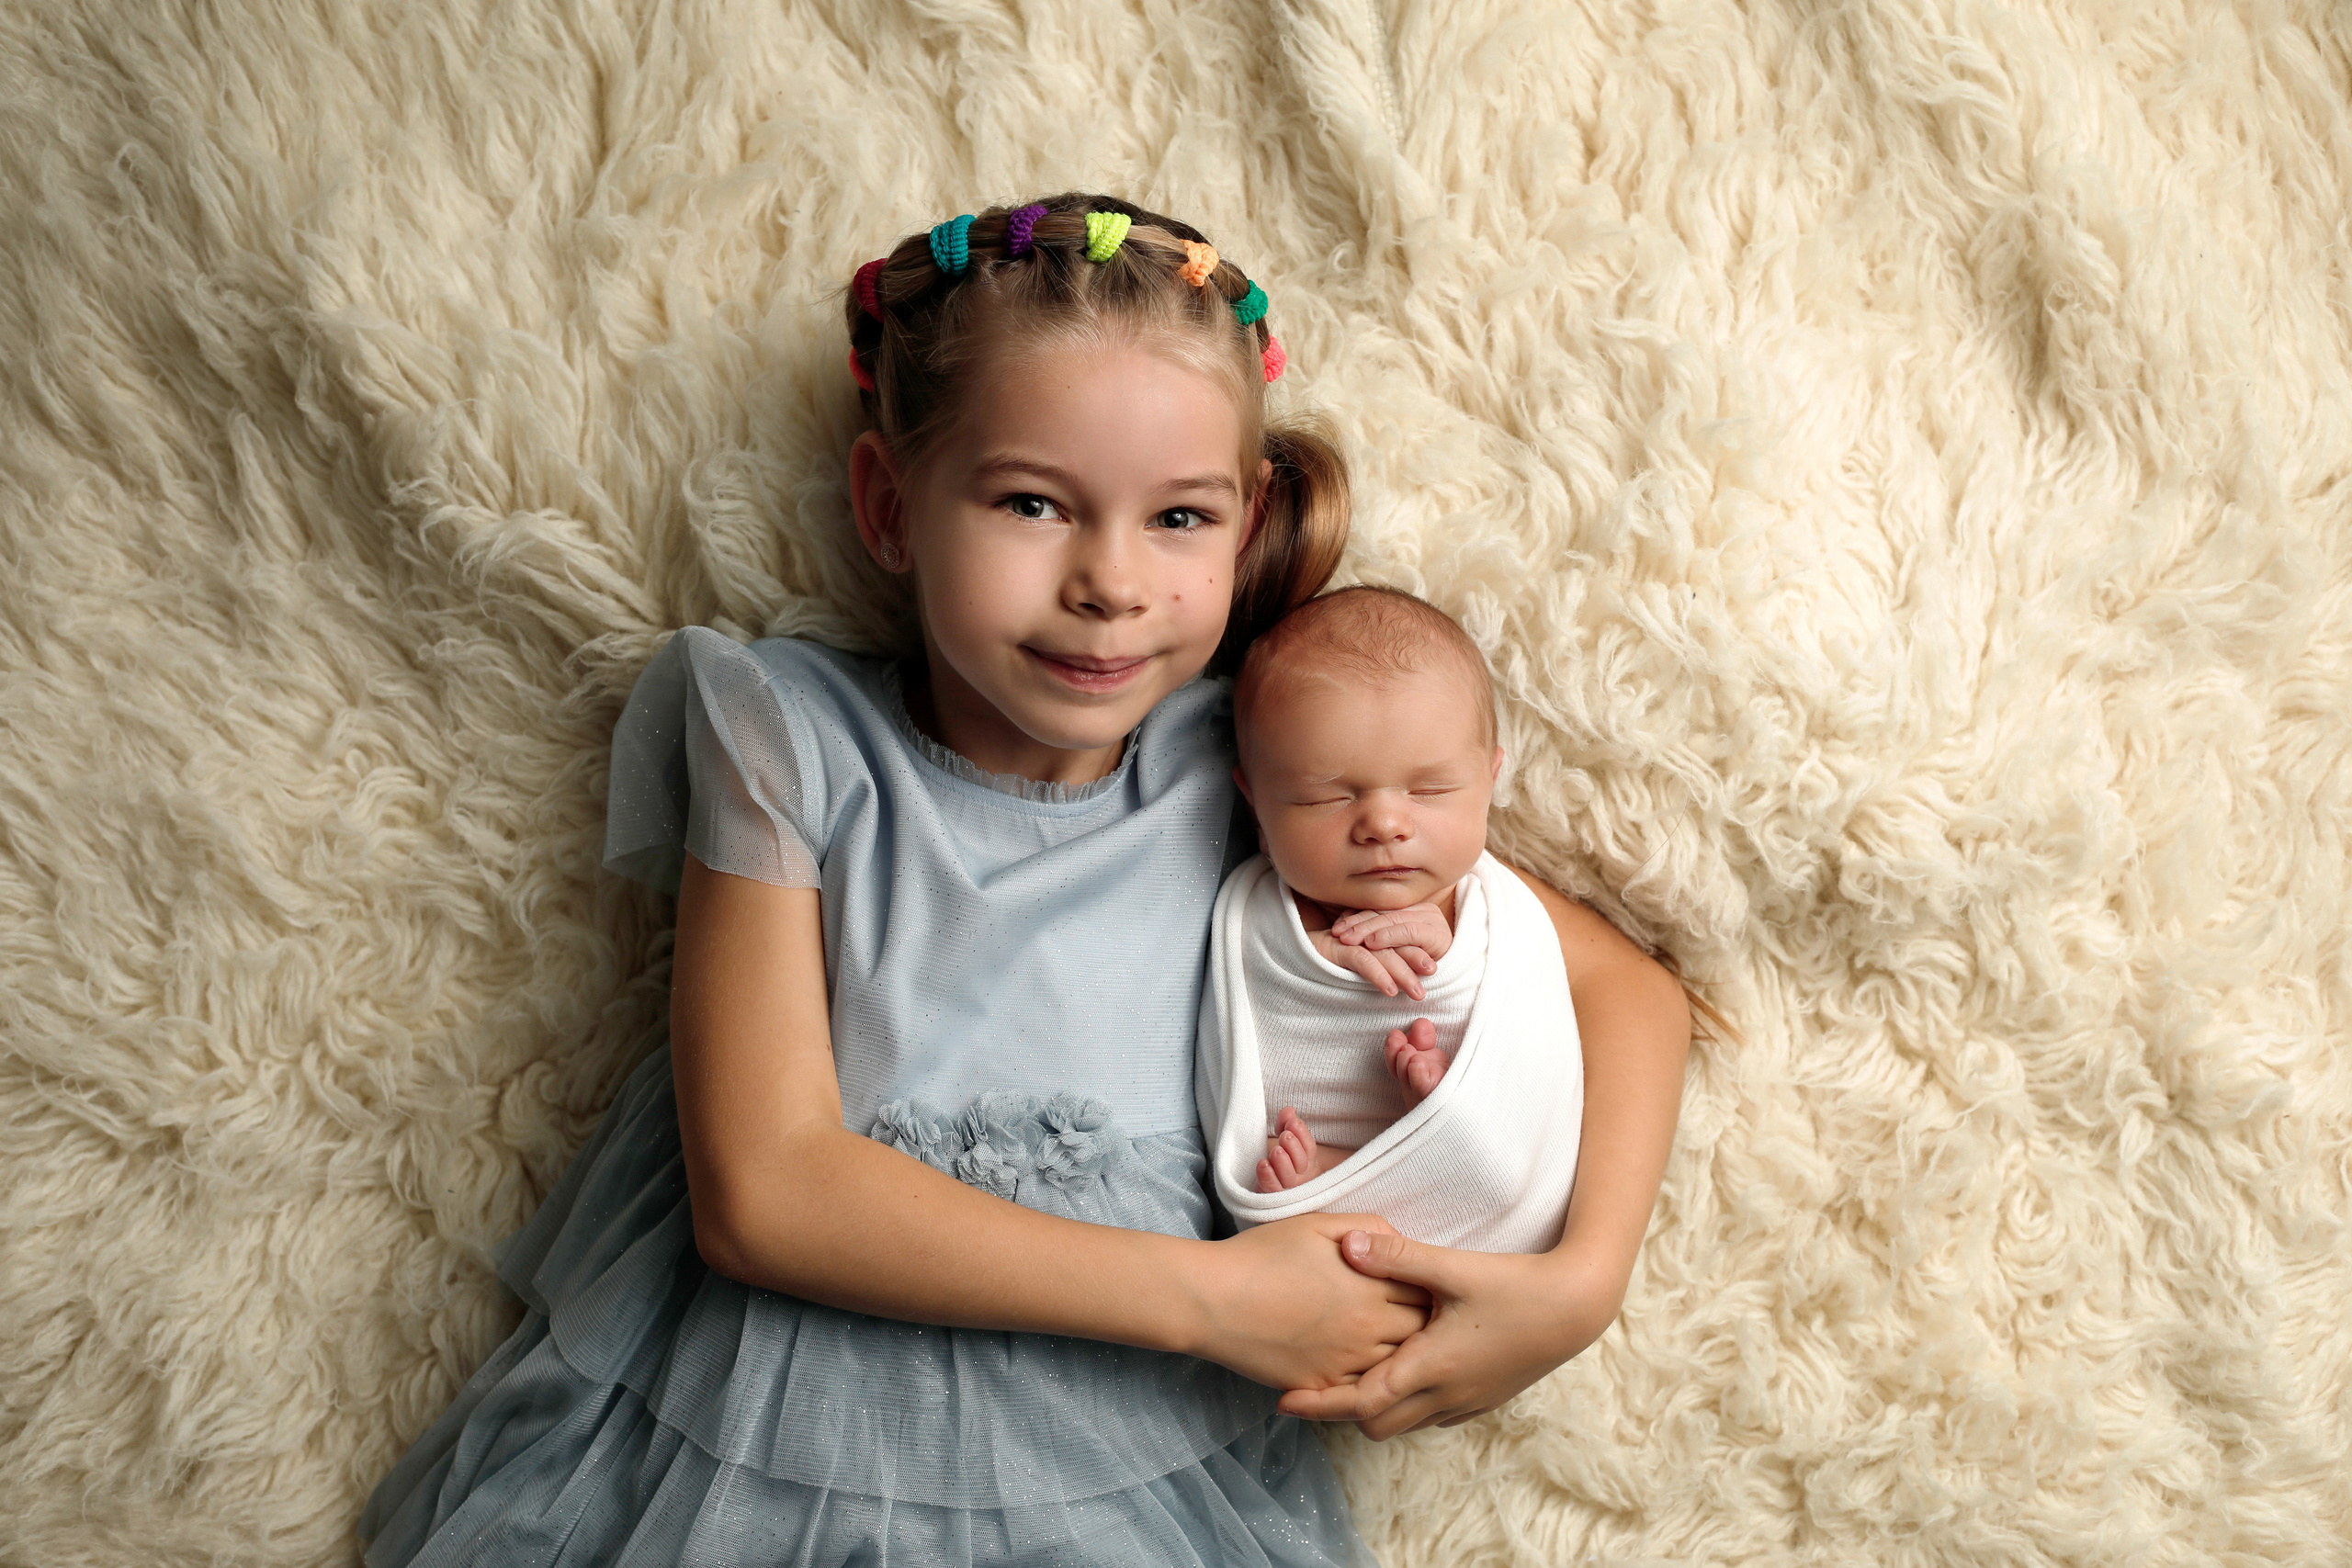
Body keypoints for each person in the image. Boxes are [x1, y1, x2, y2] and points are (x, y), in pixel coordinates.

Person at [358, 193, 1690, 1568]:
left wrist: (1578, 1285)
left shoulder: (1257, 758)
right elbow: (765, 1189)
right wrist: (1212, 1300)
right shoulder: (790, 734)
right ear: (890, 506)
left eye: (1180, 517)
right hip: (768, 1433)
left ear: (1244, 537)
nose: (1109, 581)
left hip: (1124, 1462)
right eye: (1033, 503)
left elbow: (1621, 987)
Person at [1194, 586, 1586, 1258]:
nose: (1384, 823)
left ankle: (1435, 1118)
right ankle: (1337, 1175)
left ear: (1490, 778)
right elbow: (1250, 984)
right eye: (1328, 795)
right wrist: (1310, 953)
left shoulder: (1494, 912)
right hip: (1303, 1231)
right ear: (1254, 800)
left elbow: (1530, 1038)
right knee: (1279, 1163)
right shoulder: (1256, 908)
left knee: (1485, 1147)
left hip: (1481, 1200)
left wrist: (1449, 950)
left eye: (1429, 790)